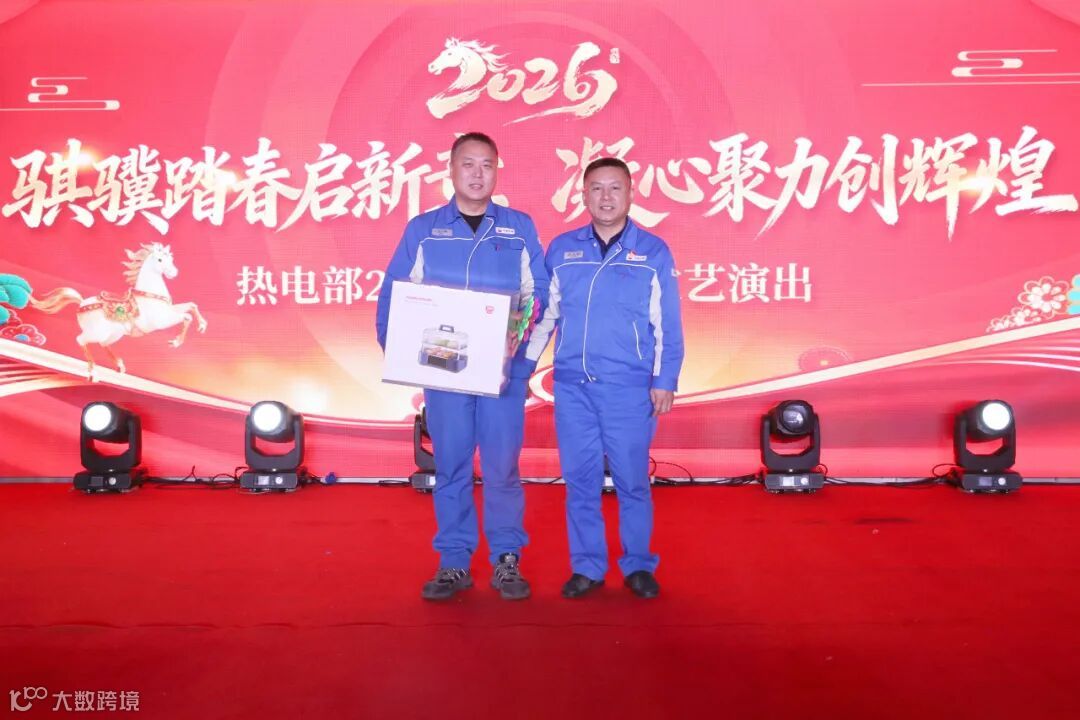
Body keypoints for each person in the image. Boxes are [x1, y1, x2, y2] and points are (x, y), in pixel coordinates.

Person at [376, 133, 547, 601]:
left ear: (497, 172)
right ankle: (454, 560)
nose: (477, 173)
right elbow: (395, 294)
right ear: (450, 170)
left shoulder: (518, 228)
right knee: (451, 467)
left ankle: (507, 559)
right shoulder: (424, 229)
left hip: (502, 378)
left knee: (502, 469)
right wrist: (401, 353)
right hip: (446, 375)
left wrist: (521, 363)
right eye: (468, 164)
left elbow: (540, 297)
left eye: (487, 164)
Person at [525, 157, 684, 599]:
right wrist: (524, 367)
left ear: (631, 194)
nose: (606, 197)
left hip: (629, 389)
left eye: (615, 188)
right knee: (580, 481)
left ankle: (638, 566)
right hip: (573, 388)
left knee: (632, 481)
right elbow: (545, 317)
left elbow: (667, 323)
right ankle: (588, 567)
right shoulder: (562, 249)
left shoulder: (652, 252)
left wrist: (665, 377)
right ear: (584, 195)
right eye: (596, 188)